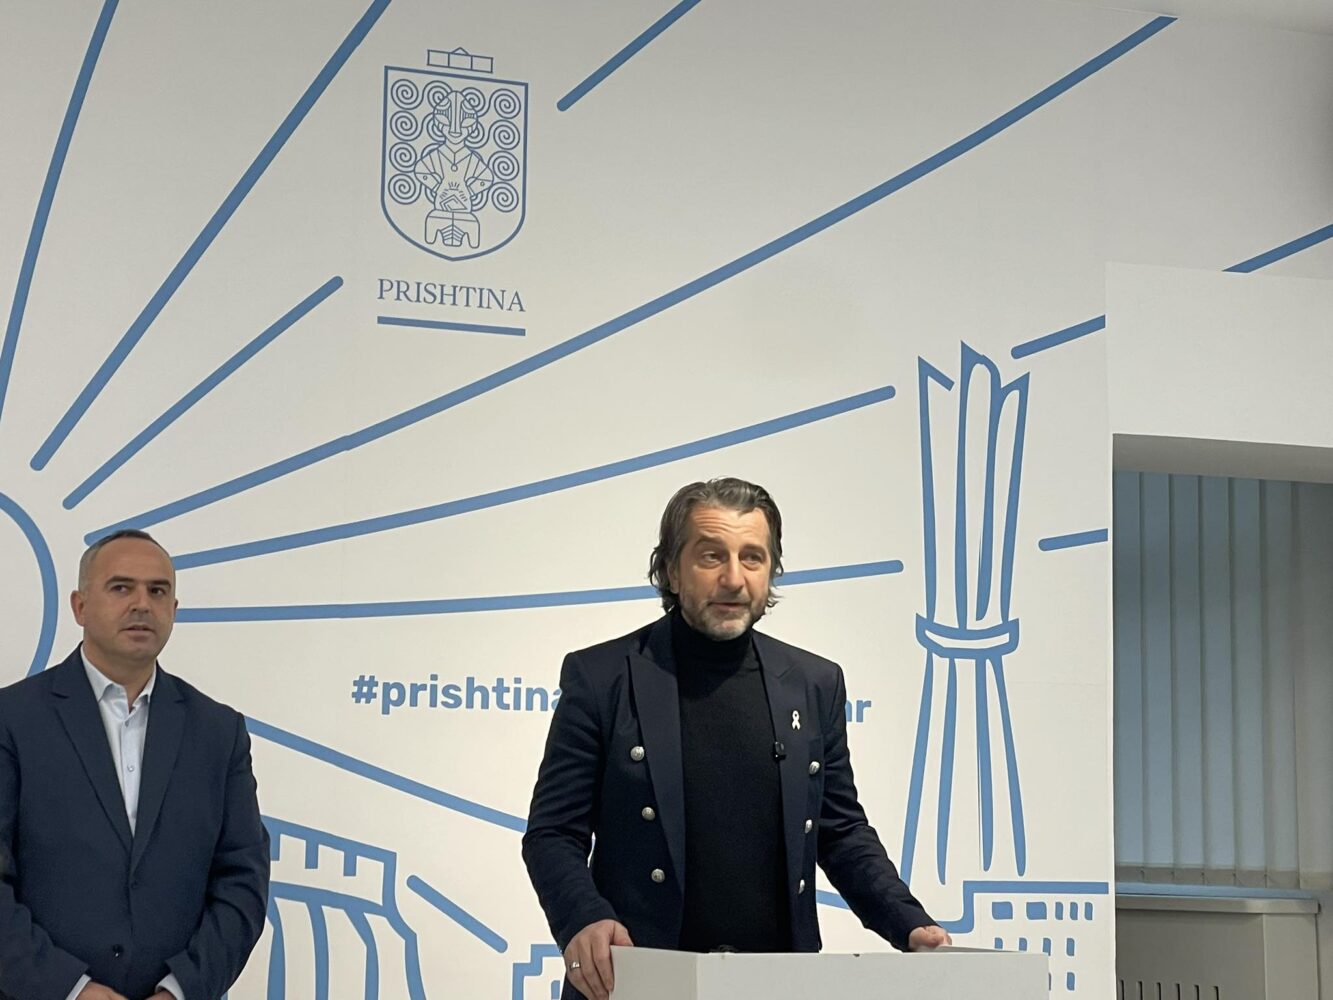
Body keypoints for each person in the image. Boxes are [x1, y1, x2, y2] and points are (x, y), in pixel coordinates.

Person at [522, 478, 950, 1000]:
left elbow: (839, 831)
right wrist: (583, 918)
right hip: (633, 978)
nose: (733, 578)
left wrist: (908, 923)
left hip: (777, 985)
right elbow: (553, 833)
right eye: (711, 556)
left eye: (753, 557)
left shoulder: (814, 683)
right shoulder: (601, 677)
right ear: (671, 570)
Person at [0, 529, 270, 1000]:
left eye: (157, 591)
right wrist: (70, 989)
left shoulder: (218, 732)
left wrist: (181, 989)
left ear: (174, 610)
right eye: (121, 587)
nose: (142, 604)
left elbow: (242, 880)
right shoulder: (13, 719)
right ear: (80, 607)